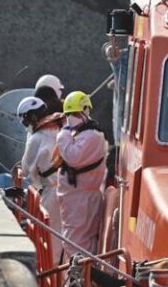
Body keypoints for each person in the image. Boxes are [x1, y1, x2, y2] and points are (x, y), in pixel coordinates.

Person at [56, 91, 108, 261]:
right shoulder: (83, 134)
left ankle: (81, 273)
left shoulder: (92, 136)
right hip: (77, 196)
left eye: (74, 114)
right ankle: (84, 272)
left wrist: (63, 133)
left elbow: (72, 157)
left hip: (82, 197)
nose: (71, 118)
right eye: (69, 114)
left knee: (75, 242)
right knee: (80, 239)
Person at [17, 96, 63, 264]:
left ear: (32, 117)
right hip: (69, 188)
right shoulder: (60, 129)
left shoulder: (36, 138)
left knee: (50, 238)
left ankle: (51, 272)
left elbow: (26, 169)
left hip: (51, 191)